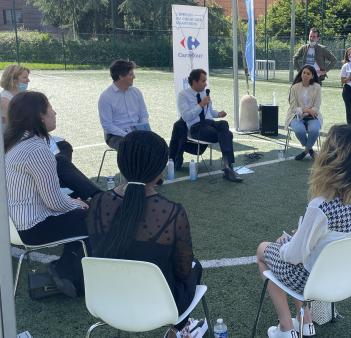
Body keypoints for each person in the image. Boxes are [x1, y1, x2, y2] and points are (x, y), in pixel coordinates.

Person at [256, 125, 351, 338]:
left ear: (330, 157)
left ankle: (287, 328)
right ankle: (306, 321)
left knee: (263, 250)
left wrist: (285, 243)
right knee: (299, 251)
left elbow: (293, 256)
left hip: (316, 281)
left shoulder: (322, 205)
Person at [86, 131, 207, 337]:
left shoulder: (97, 203)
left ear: (121, 163)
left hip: (107, 300)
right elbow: (184, 269)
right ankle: (180, 330)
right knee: (196, 266)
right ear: (160, 169)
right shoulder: (171, 212)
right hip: (161, 306)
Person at [4, 91, 90, 297]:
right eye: (51, 109)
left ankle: (65, 268)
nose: (55, 113)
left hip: (15, 225)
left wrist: (72, 203)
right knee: (94, 217)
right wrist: (77, 203)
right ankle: (72, 276)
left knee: (80, 215)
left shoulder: (11, 142)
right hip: (34, 227)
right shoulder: (36, 148)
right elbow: (54, 203)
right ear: (40, 116)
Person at [1, 66, 101, 199]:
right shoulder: (6, 100)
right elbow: (20, 126)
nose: (28, 80)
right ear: (13, 80)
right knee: (60, 160)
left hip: (25, 139)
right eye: (24, 78)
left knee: (64, 148)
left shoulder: (18, 97)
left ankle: (63, 183)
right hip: (14, 143)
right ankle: (93, 195)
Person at [177, 69, 242, 182]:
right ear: (195, 81)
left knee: (224, 124)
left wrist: (218, 114)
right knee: (228, 134)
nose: (206, 83)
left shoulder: (204, 93)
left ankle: (227, 167)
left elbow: (210, 112)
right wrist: (201, 105)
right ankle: (228, 167)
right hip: (196, 128)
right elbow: (186, 117)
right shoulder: (183, 95)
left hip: (210, 123)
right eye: (203, 81)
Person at [98, 59, 150, 150]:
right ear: (121, 76)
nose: (134, 77)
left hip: (137, 132)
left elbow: (143, 115)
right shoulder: (105, 97)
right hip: (115, 135)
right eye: (131, 74)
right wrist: (127, 135)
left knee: (158, 144)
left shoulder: (136, 92)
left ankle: (167, 163)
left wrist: (143, 131)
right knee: (132, 148)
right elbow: (107, 125)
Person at [286, 65, 322, 161]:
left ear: (312, 76)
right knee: (299, 130)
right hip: (296, 115)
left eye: (308, 73)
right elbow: (293, 107)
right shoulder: (294, 87)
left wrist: (310, 111)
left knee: (314, 130)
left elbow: (317, 105)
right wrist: (306, 110)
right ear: (301, 74)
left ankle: (305, 151)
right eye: (304, 73)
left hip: (313, 115)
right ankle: (310, 150)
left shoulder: (317, 87)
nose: (305, 75)